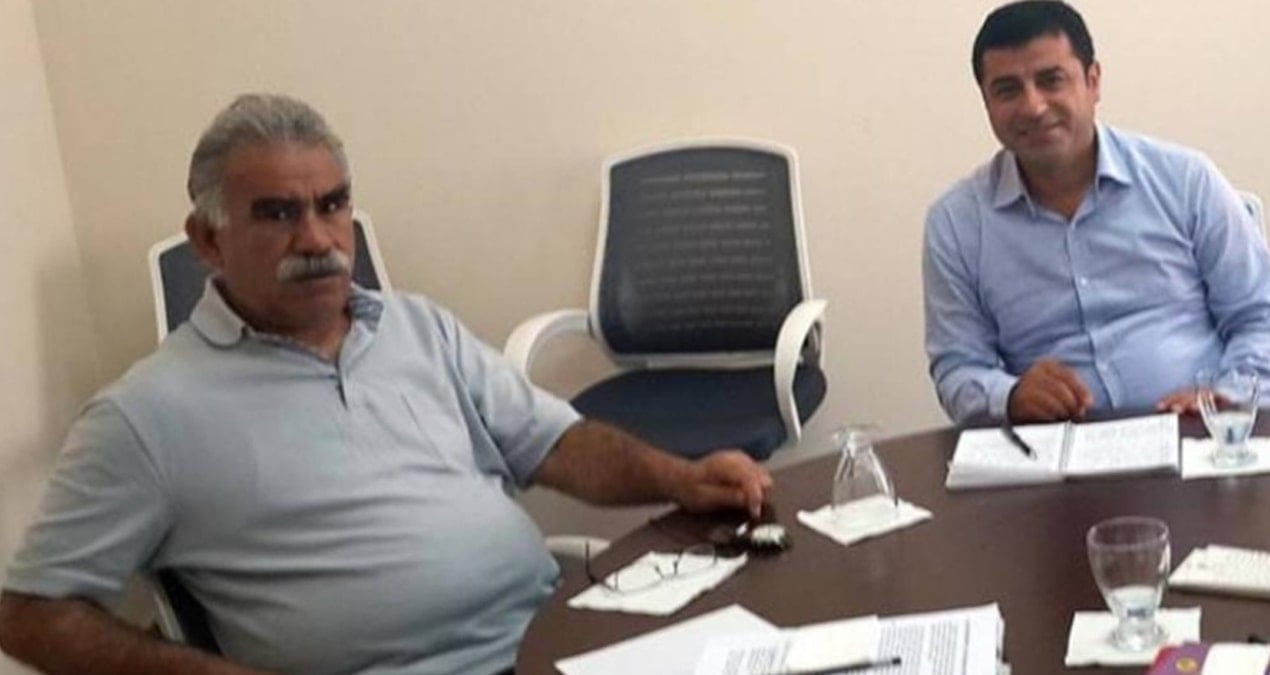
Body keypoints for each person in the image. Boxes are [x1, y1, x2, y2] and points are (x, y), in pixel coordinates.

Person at [0, 94, 773, 675]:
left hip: (561, 635)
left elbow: (555, 445)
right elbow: (28, 611)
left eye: (332, 204)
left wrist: (682, 478)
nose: (316, 237)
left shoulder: (416, 327)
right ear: (208, 238)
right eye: (277, 213)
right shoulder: (145, 415)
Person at [923, 0, 1270, 425]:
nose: (1033, 106)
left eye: (1051, 80)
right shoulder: (956, 225)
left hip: (1198, 434)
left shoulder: (1185, 180)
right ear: (986, 101)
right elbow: (957, 366)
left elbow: (1260, 314)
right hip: (1055, 449)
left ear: (1093, 82)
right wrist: (1010, 396)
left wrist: (1226, 397)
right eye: (1008, 90)